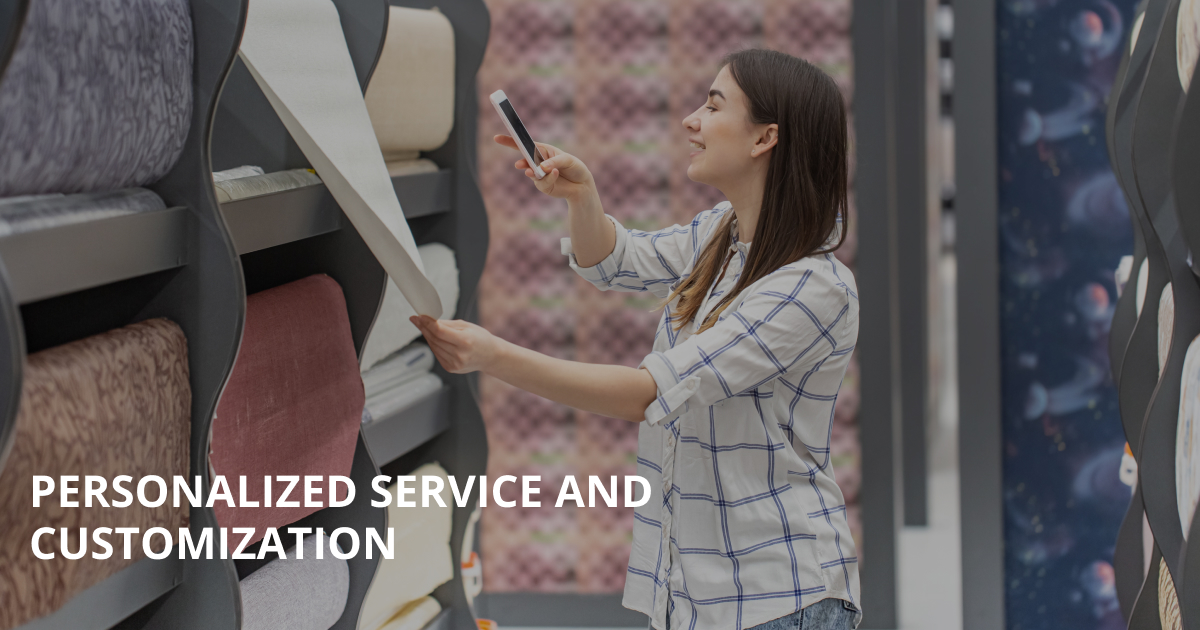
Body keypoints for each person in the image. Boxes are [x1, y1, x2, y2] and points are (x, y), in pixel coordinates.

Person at [411, 48, 860, 630]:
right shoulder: (719, 236)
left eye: (713, 105)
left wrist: (492, 356)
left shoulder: (811, 288)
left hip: (777, 597)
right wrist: (581, 196)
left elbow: (649, 394)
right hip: (691, 594)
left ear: (764, 138)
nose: (690, 120)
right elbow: (614, 261)